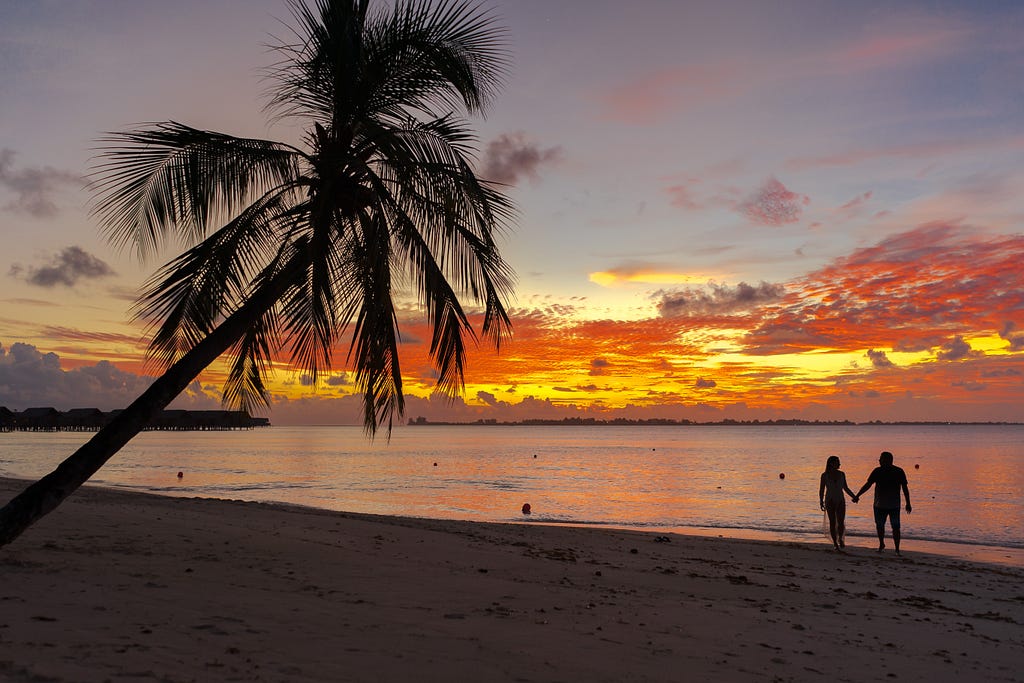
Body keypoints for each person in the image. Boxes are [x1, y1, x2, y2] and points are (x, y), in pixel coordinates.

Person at [855, 451, 912, 555]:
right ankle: (881, 544)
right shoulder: (877, 471)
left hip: (894, 505)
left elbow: (905, 488)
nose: (879, 460)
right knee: (880, 526)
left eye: (881, 459)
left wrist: (908, 503)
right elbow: (868, 484)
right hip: (879, 505)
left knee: (896, 527)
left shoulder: (898, 471)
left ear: (888, 460)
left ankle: (897, 549)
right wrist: (858, 495)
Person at [818, 455, 857, 551]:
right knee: (832, 522)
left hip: (840, 499)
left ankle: (840, 538)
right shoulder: (824, 475)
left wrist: (854, 496)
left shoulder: (842, 474)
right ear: (831, 463)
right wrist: (821, 501)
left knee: (840, 522)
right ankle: (835, 543)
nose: (839, 464)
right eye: (837, 462)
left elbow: (846, 488)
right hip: (829, 500)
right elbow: (822, 489)